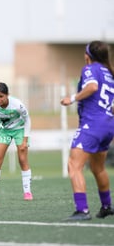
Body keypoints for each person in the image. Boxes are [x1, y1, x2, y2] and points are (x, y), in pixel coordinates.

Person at [60, 40, 114, 221]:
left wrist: (72, 98)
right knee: (98, 168)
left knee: (74, 165)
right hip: (107, 124)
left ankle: (82, 210)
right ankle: (106, 206)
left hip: (93, 124)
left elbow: (92, 87)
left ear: (88, 55)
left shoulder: (91, 69)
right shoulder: (109, 74)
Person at [0, 82, 33, 202]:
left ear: (7, 95)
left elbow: (27, 120)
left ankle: (27, 192)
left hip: (19, 130)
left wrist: (25, 139)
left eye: (1, 96)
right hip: (4, 131)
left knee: (22, 160)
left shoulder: (17, 105)